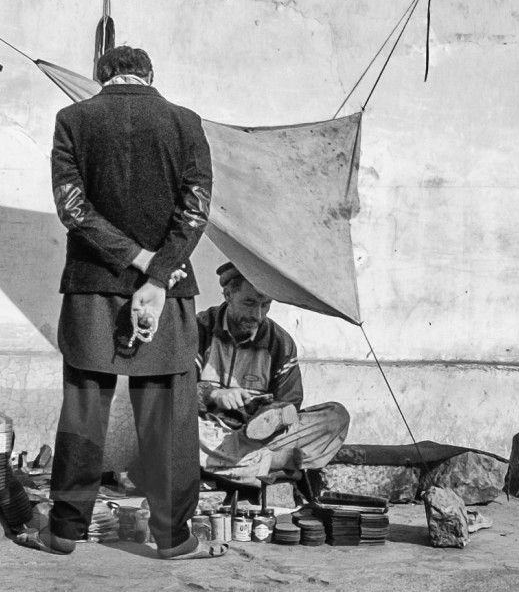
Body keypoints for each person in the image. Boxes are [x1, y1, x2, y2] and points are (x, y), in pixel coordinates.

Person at [18, 44, 223, 560]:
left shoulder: (72, 119)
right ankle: (174, 537)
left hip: (91, 285)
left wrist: (132, 257)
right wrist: (156, 276)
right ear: (149, 75)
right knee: (169, 420)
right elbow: (194, 212)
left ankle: (63, 531)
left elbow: (73, 210)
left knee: (83, 411)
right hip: (169, 290)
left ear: (99, 77)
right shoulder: (184, 122)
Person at [196, 261, 350, 484]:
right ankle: (276, 462)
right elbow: (175, 389)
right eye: (249, 303)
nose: (257, 315)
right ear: (228, 295)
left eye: (265, 305)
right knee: (179, 433)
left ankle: (243, 465)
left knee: (335, 418)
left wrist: (271, 414)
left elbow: (290, 401)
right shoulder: (199, 330)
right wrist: (213, 395)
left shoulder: (281, 343)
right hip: (209, 430)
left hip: (257, 438)